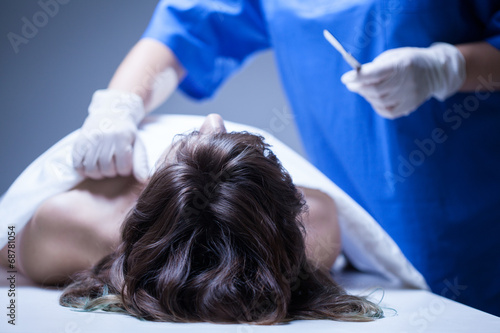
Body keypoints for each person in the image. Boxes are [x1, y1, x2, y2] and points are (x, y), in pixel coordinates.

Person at [71, 1, 500, 315]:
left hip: (477, 220)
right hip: (366, 233)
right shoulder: (317, 226)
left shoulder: (319, 222)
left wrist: (450, 68)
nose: (213, 123)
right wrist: (120, 104)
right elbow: (183, 32)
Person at [0, 114, 383, 323]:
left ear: (149, 194)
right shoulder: (318, 221)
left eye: (188, 143)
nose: (212, 119)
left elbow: (7, 244)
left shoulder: (70, 220)